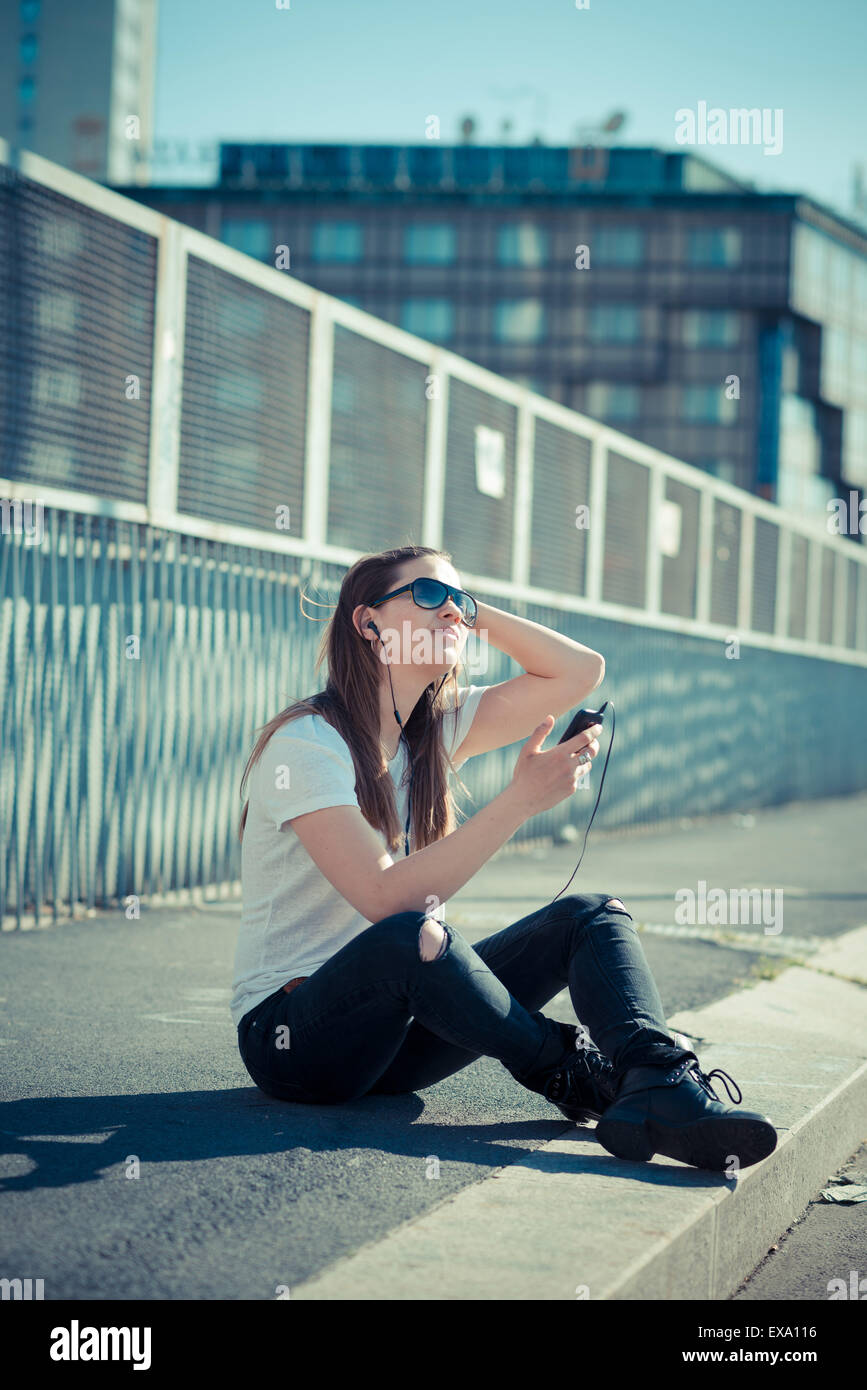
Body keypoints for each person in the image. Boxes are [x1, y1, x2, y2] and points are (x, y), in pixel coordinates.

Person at [232, 544, 777, 1173]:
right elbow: (383, 901)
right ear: (367, 621)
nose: (453, 617)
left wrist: (465, 608)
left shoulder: (434, 732)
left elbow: (578, 671)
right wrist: (519, 801)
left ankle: (658, 1081)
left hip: (397, 1038)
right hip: (297, 1041)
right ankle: (575, 1074)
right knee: (412, 934)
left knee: (592, 915)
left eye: (460, 605)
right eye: (429, 596)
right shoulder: (307, 743)